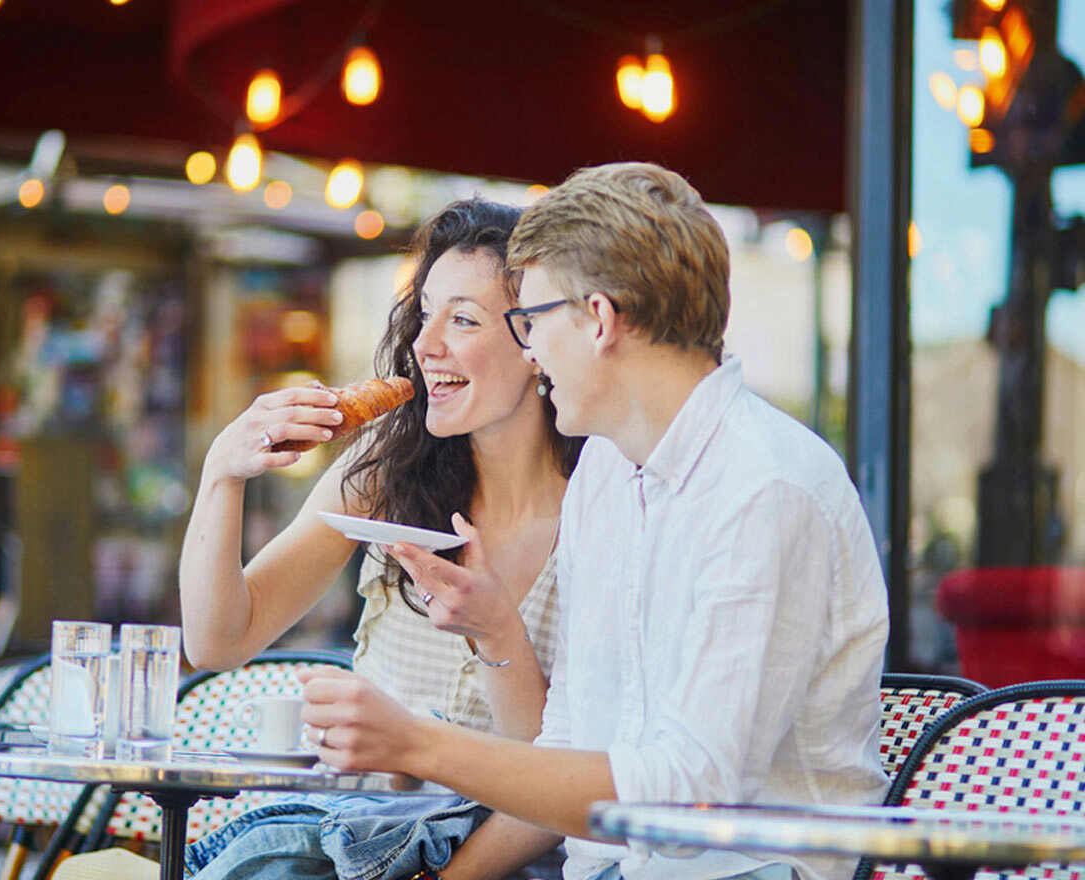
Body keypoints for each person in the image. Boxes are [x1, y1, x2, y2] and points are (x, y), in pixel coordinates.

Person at [299, 163, 891, 880]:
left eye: (532, 320)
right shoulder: (608, 475)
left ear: (599, 320)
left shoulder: (766, 488)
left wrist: (418, 745)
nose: (532, 352)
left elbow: (686, 799)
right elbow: (568, 740)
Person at [56, 198, 582, 880]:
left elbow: (562, 778)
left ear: (537, 341)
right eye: (424, 314)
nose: (427, 346)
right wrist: (222, 474)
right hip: (349, 837)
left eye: (464, 319)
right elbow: (219, 640)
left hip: (497, 859)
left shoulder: (599, 521)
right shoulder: (385, 479)